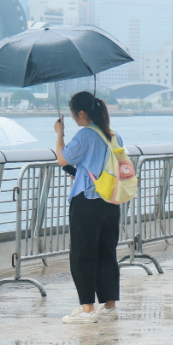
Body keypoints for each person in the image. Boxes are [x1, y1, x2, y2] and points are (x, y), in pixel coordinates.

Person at [55, 91, 123, 324]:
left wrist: (59, 134)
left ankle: (87, 309)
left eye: (74, 114)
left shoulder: (84, 135)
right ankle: (110, 305)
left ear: (81, 113)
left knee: (83, 254)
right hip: (111, 201)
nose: (74, 118)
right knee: (107, 252)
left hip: (87, 202)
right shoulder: (114, 136)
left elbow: (63, 158)